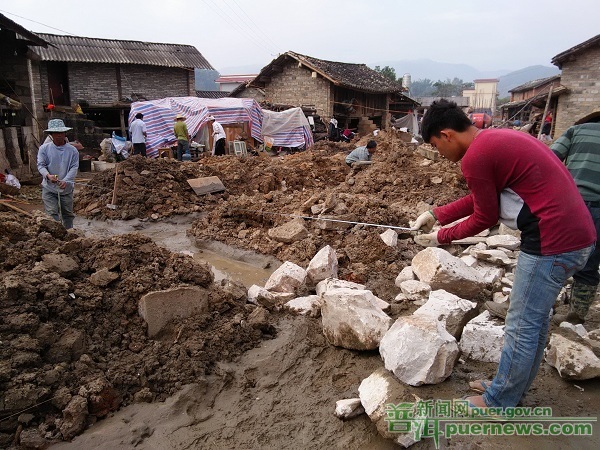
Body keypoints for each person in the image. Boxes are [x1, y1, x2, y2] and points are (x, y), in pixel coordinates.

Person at [411, 99, 595, 411]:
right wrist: (437, 213)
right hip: (575, 237)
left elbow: (485, 217)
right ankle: (508, 387)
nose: (440, 155)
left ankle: (500, 401)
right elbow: (481, 197)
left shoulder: (476, 157)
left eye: (434, 145)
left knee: (522, 325)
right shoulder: (496, 139)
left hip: (553, 241)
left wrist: (439, 237)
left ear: (446, 135)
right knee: (533, 323)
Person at [550, 122, 600, 324]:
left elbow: (550, 159)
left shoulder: (578, 130)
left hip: (573, 203)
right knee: (591, 262)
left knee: (552, 256)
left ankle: (538, 305)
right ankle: (576, 315)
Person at [37, 119, 80, 229]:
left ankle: (69, 234)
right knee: (51, 213)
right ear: (51, 135)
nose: (59, 135)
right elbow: (41, 165)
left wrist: (66, 180)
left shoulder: (72, 151)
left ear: (65, 133)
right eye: (56, 133)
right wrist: (48, 175)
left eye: (61, 133)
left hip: (66, 189)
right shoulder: (44, 149)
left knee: (68, 215)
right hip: (49, 187)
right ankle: (55, 236)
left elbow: (74, 167)